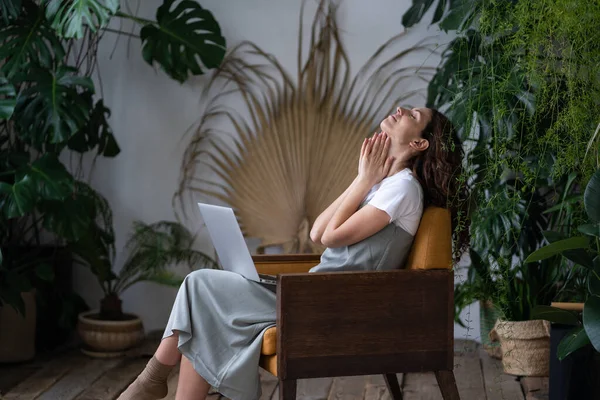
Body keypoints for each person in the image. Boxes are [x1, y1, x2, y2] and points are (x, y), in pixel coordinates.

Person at [118, 107, 469, 400]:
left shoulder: (403, 190)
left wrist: (364, 181)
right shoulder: (384, 185)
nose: (401, 110)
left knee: (199, 285)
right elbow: (317, 231)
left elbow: (329, 238)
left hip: (328, 303)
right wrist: (363, 178)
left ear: (419, 142)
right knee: (204, 306)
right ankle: (152, 382)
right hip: (314, 293)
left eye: (413, 113)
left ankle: (151, 380)